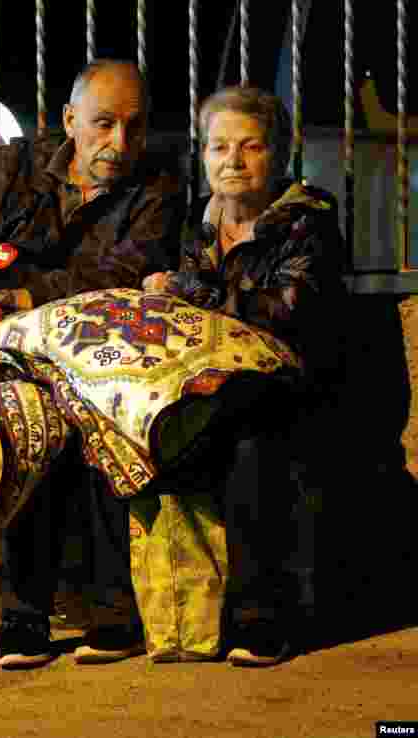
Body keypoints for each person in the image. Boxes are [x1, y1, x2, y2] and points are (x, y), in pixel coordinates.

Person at [0, 59, 184, 668]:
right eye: (102, 124)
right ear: (71, 120)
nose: (118, 143)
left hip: (75, 359)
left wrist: (18, 298)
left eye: (134, 126)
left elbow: (118, 277)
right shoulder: (15, 167)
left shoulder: (157, 188)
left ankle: (28, 613)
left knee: (39, 422)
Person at [139, 86, 344, 666]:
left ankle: (261, 619)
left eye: (249, 147)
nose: (231, 161)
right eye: (218, 146)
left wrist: (188, 292)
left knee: (252, 434)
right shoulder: (196, 223)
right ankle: (157, 616)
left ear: (278, 154)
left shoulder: (310, 219)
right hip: (210, 382)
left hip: (293, 386)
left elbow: (287, 311)